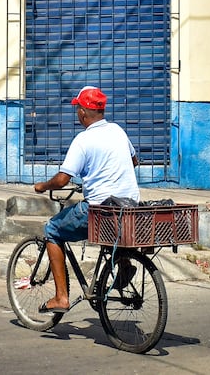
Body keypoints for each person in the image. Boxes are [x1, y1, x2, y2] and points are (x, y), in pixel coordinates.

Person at [33, 85, 140, 314]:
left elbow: (62, 180)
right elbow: (134, 161)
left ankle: (61, 297)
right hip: (129, 206)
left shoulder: (83, 140)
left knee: (52, 229)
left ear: (82, 112)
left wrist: (43, 186)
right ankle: (123, 265)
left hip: (99, 209)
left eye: (77, 110)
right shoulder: (118, 131)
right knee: (113, 228)